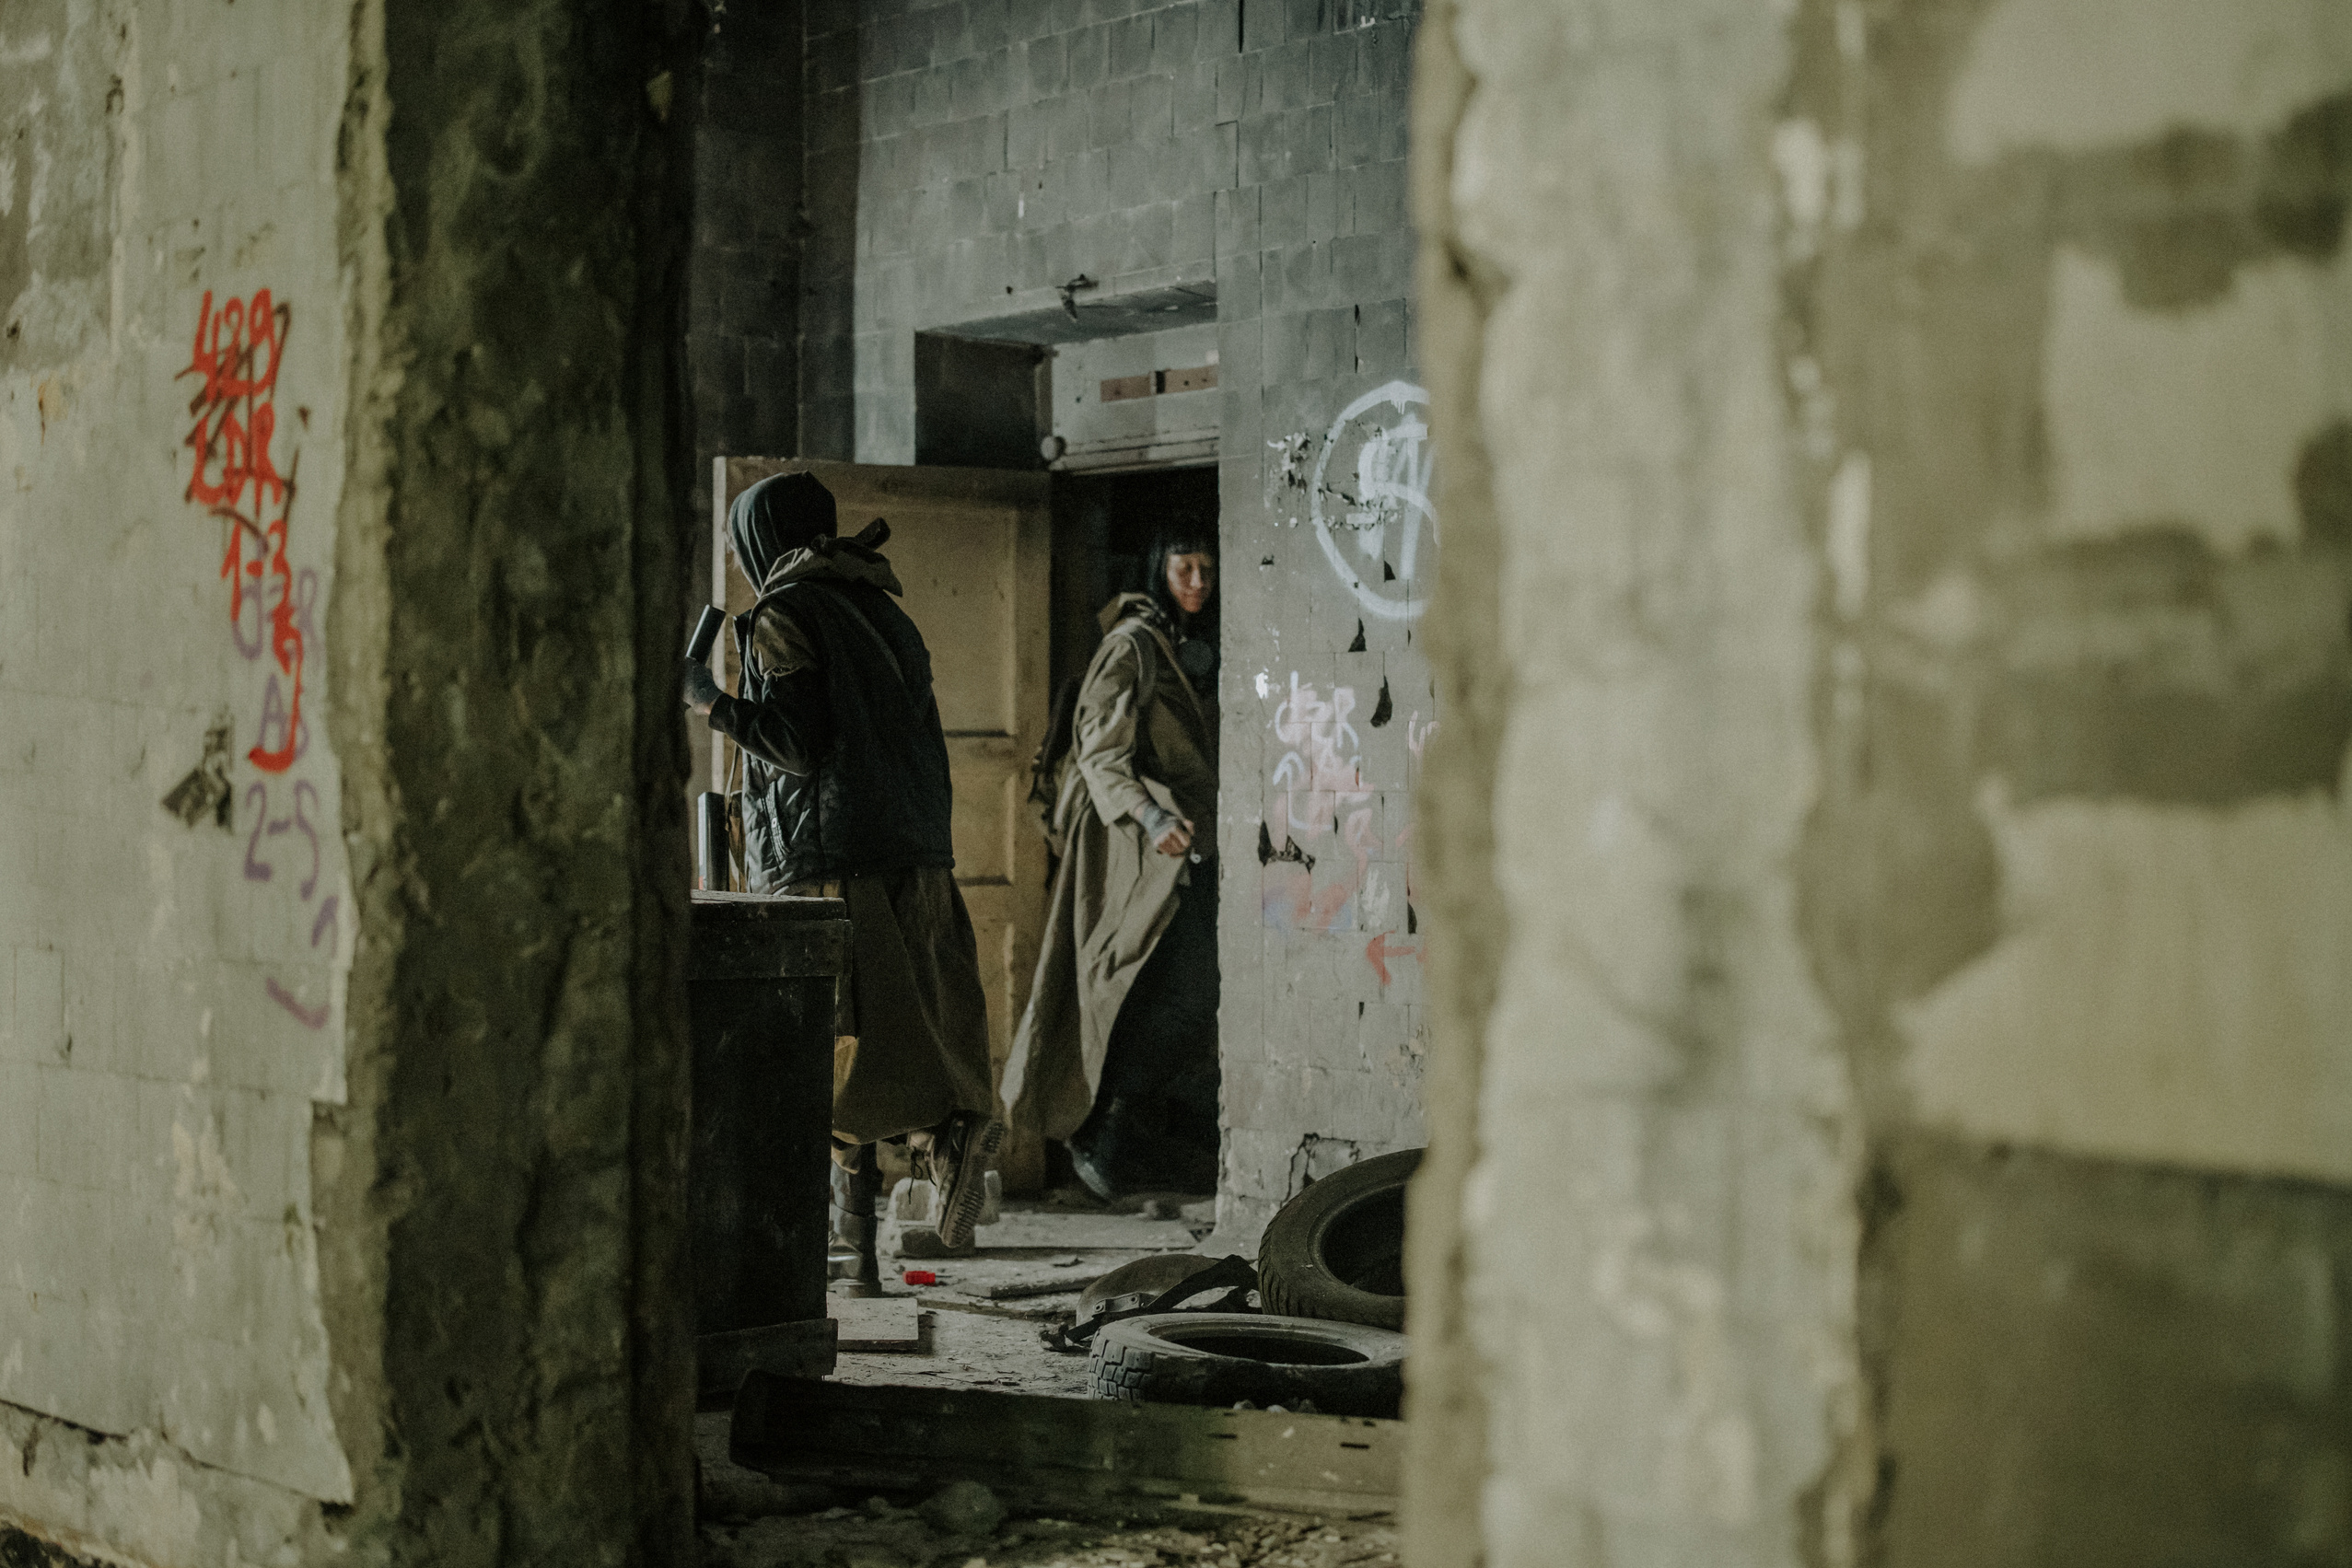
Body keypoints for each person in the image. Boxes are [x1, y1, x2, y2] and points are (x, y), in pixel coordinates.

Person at [683, 471, 1003, 1282]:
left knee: (821, 1060)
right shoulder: (881, 610)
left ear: (762, 540)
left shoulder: (783, 614)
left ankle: (926, 1150)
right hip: (915, 853)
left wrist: (710, 703)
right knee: (904, 1029)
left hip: (828, 865)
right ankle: (901, 1198)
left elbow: (795, 744)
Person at [1001, 520, 1220, 1198]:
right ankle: (1099, 1137)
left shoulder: (1178, 645)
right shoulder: (1131, 645)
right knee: (1139, 989)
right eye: (1184, 567)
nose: (1197, 582)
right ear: (1158, 568)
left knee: (1168, 993)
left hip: (1177, 851)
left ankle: (1115, 1141)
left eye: (1206, 570)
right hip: (1134, 853)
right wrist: (1153, 815)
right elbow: (1100, 754)